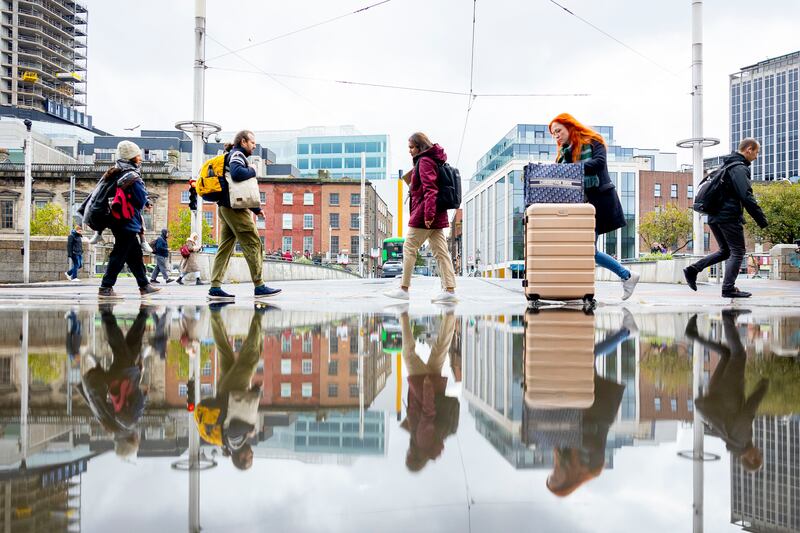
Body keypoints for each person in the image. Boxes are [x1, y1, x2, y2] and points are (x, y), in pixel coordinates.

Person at [549, 113, 640, 301]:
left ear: (569, 126)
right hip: (577, 206)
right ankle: (625, 276)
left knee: (586, 249)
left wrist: (570, 169)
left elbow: (599, 163)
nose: (556, 135)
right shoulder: (562, 154)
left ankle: (623, 277)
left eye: (558, 130)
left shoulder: (593, 141)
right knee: (581, 248)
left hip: (598, 203)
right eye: (553, 133)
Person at [684, 138, 769, 298]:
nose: (757, 156)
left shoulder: (726, 165)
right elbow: (746, 195)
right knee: (738, 252)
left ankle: (692, 269)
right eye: (757, 152)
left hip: (715, 216)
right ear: (748, 149)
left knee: (725, 251)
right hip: (728, 216)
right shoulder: (739, 168)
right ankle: (728, 288)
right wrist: (761, 219)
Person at [686, 310, 768, 472]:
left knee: (739, 355)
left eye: (759, 455)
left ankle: (728, 318)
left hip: (728, 390)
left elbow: (748, 412)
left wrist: (763, 388)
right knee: (726, 353)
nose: (760, 452)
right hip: (716, 392)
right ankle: (693, 335)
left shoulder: (742, 440)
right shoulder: (732, 443)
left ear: (752, 458)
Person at [207, 130, 281, 301]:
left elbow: (240, 188)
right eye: (252, 143)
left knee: (225, 248)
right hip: (235, 209)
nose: (254, 146)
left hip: (226, 207)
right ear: (243, 141)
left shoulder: (232, 154)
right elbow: (237, 174)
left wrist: (255, 209)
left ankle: (215, 287)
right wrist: (253, 169)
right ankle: (259, 285)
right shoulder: (237, 155)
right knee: (253, 242)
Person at [384, 132, 458, 304]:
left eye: (411, 147)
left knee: (409, 247)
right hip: (434, 213)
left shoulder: (425, 162)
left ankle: (404, 289)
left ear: (420, 146)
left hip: (425, 214)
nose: (409, 151)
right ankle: (450, 290)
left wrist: (428, 216)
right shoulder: (432, 160)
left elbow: (431, 190)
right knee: (441, 253)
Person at [194, 304, 267, 470]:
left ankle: (259, 313)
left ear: (241, 458)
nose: (252, 455)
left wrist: (250, 429)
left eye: (249, 458)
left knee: (250, 359)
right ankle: (215, 314)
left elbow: (234, 427)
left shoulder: (235, 444)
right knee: (225, 352)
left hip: (231, 391)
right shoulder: (227, 445)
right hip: (224, 391)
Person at [78, 304, 149, 460]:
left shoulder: (129, 423)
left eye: (137, 442)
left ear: (132, 441)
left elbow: (140, 398)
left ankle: (106, 313)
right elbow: (97, 404)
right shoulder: (110, 427)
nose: (139, 439)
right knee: (131, 347)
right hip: (114, 379)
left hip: (125, 376)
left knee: (119, 344)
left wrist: (141, 379)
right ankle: (143, 314)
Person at [98, 141, 160, 299]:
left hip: (117, 219)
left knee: (134, 254)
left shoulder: (115, 171)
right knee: (119, 254)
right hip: (126, 219)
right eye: (138, 155)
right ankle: (106, 287)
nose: (140, 158)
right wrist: (145, 202)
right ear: (132, 157)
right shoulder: (131, 175)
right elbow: (139, 199)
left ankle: (144, 285)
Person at [399, 311, 458, 472]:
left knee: (440, 349)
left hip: (434, 386)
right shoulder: (422, 442)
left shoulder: (426, 444)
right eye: (408, 456)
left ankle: (450, 315)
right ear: (414, 457)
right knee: (408, 354)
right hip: (422, 384)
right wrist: (426, 388)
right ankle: (403, 315)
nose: (407, 453)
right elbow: (428, 414)